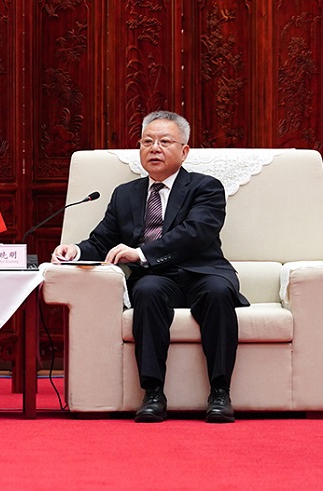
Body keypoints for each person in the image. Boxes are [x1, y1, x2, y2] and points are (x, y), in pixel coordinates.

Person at [52, 110, 248, 423]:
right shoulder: (125, 194)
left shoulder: (205, 187)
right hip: (157, 277)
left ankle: (220, 392)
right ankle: (153, 393)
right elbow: (102, 240)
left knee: (217, 291)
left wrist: (140, 253)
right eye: (147, 142)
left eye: (164, 142)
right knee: (146, 291)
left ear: (184, 151)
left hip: (203, 272)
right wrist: (74, 250)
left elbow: (196, 233)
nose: (154, 148)